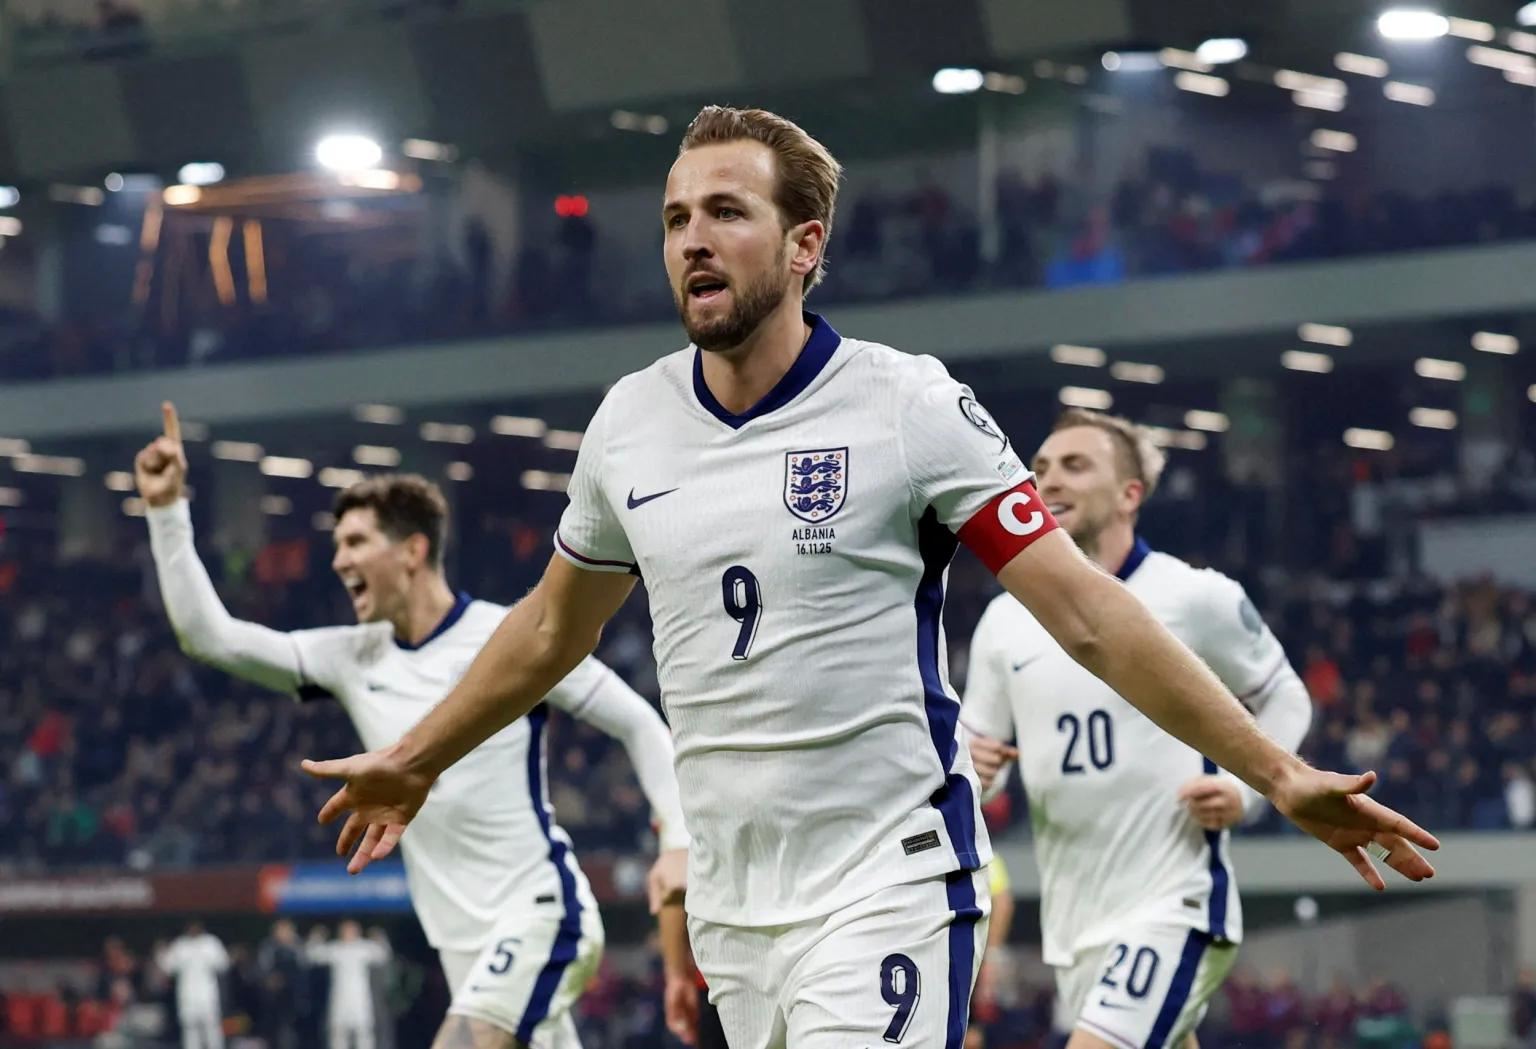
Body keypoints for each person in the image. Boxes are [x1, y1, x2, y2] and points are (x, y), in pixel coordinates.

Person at [301, 105, 1438, 1049]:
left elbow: (1090, 613)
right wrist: (416, 757)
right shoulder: (627, 424)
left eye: (727, 212)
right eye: (677, 218)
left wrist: (1277, 773)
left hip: (888, 882)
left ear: (805, 244)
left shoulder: (908, 404)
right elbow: (554, 629)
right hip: (738, 907)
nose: (693, 239)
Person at [132, 440, 690, 1049]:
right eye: (338, 546)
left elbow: (640, 724)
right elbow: (211, 638)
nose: (339, 561)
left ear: (413, 551)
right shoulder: (352, 656)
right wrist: (166, 511)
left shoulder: (509, 636)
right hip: (459, 946)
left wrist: (677, 841)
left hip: (540, 914)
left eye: (355, 542)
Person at [961, 409, 1315, 1049]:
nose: (1049, 481)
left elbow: (1284, 697)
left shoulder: (1194, 596)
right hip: (1075, 926)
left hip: (1173, 905)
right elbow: (975, 765)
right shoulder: (1004, 621)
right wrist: (975, 768)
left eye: (1075, 465)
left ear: (1131, 494)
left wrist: (1247, 792)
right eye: (1039, 469)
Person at [308, 921, 391, 1049]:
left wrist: (380, 937)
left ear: (357, 931)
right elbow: (313, 955)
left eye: (351, 930)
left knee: (364, 1034)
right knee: (338, 1034)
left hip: (360, 999)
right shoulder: (336, 948)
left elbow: (384, 955)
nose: (348, 932)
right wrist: (316, 937)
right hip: (340, 998)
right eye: (345, 930)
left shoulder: (364, 947)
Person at [158, 921, 228, 1049]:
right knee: (190, 1029)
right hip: (187, 995)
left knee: (212, 1027)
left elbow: (223, 964)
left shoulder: (211, 943)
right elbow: (167, 967)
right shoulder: (180, 945)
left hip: (207, 994)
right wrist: (161, 951)